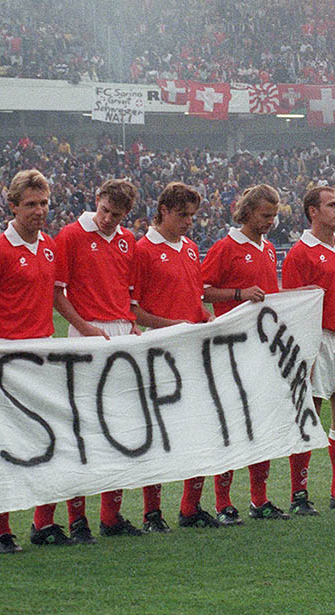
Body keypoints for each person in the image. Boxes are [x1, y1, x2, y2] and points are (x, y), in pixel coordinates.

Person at [53, 178, 150, 538]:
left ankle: (110, 517)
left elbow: (125, 294)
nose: (108, 219)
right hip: (85, 333)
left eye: (117, 214)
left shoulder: (129, 242)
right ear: (96, 200)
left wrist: (128, 324)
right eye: (105, 210)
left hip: (121, 334)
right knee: (82, 430)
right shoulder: (70, 235)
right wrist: (83, 326)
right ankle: (77, 519)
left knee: (121, 429)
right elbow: (57, 294)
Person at [0, 169, 61, 549]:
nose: (38, 210)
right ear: (12, 206)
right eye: (30, 204)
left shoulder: (49, 246)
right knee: (4, 445)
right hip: (5, 357)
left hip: (43, 355)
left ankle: (44, 524)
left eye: (43, 203)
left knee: (51, 441)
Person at [132, 182, 221, 528]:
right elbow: (133, 310)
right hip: (157, 349)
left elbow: (195, 298)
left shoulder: (190, 248)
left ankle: (190, 507)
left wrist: (203, 317)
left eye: (193, 216)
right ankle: (151, 513)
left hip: (190, 347)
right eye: (183, 215)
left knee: (198, 429)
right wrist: (174, 325)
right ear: (164, 211)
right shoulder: (143, 250)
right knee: (154, 432)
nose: (189, 222)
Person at [200, 184, 288, 523]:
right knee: (232, 425)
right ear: (247, 211)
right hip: (231, 348)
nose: (270, 222)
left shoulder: (267, 248)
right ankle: (223, 504)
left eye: (274, 216)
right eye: (265, 215)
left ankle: (259, 499)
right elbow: (203, 291)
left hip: (261, 349)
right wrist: (239, 293)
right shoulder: (226, 247)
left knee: (261, 424)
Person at [281, 186, 335, 511]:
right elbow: (292, 308)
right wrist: (304, 352)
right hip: (318, 341)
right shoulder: (300, 253)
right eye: (331, 205)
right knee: (309, 416)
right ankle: (298, 494)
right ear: (313, 212)